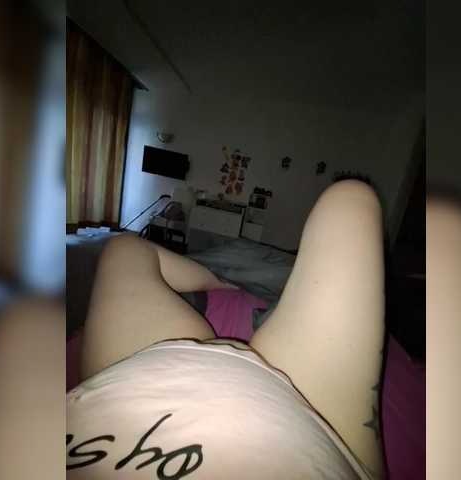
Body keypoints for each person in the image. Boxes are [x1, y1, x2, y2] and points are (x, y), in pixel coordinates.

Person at [68, 180, 386, 479]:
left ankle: (221, 281)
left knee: (124, 247)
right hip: (311, 422)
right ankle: (227, 282)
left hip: (128, 377)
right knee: (352, 201)